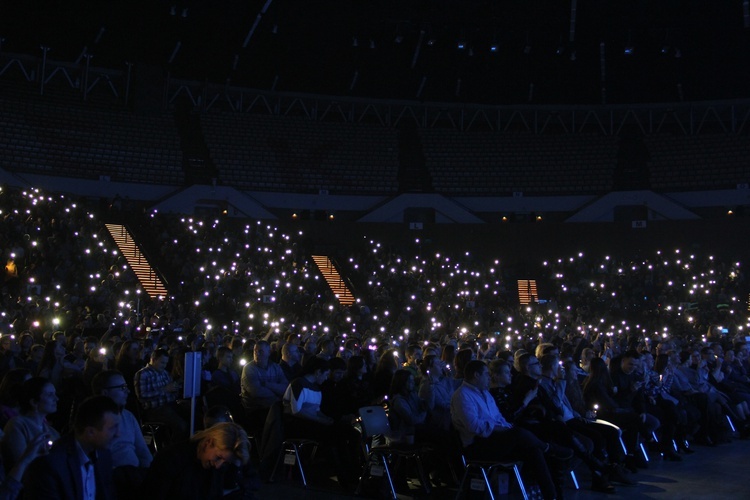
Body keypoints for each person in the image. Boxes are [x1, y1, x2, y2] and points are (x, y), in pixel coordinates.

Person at [451, 360, 572, 500]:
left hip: (496, 439)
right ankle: (549, 449)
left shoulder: (485, 394)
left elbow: (498, 417)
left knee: (533, 450)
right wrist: (502, 429)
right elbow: (474, 426)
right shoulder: (462, 396)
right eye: (486, 374)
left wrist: (505, 428)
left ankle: (551, 495)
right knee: (519, 434)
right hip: (478, 444)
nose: (489, 378)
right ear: (476, 375)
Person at [22, 395, 120, 500]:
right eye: (112, 428)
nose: (118, 434)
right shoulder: (51, 466)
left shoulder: (103, 456)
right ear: (90, 432)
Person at [140, 422, 251, 499]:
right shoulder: (171, 459)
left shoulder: (216, 465)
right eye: (219, 457)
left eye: (225, 462)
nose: (218, 465)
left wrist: (236, 465)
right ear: (208, 443)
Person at [92, 370, 152, 500]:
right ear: (105, 392)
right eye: (122, 388)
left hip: (135, 476)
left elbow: (143, 451)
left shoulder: (128, 416)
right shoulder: (93, 421)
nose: (127, 391)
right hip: (113, 481)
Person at [2, 377, 61, 468]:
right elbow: (20, 463)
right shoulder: (17, 425)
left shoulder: (53, 432)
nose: (56, 398)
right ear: (34, 402)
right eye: (50, 395)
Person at [134, 348, 187, 443]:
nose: (164, 365)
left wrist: (175, 388)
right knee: (181, 425)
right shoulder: (143, 374)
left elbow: (171, 390)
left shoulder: (165, 373)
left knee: (192, 416)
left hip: (170, 405)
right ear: (153, 359)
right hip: (154, 410)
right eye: (162, 363)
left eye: (166, 363)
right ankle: (172, 449)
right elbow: (142, 396)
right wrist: (165, 389)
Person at [240, 341, 288, 433]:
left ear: (268, 352)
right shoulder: (249, 369)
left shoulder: (275, 367)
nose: (257, 353)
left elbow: (285, 388)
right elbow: (257, 392)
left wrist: (267, 384)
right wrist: (277, 392)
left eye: (260, 351)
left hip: (272, 407)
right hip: (256, 410)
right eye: (255, 351)